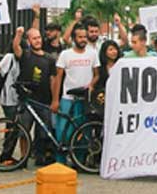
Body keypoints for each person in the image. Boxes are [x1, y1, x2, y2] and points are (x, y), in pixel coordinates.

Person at [52, 23, 100, 163]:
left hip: (84, 99)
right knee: (62, 131)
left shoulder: (92, 53)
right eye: (80, 37)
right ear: (74, 38)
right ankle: (60, 162)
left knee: (82, 130)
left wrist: (91, 84)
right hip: (67, 98)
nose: (83, 39)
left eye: (85, 37)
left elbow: (97, 74)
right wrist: (55, 100)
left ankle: (79, 161)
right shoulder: (65, 54)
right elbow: (58, 78)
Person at [12, 27, 56, 166]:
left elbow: (53, 80)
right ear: (29, 41)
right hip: (27, 100)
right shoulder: (26, 55)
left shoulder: (49, 59)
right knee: (23, 130)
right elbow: (16, 47)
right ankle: (23, 158)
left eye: (39, 38)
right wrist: (18, 34)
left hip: (44, 100)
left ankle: (40, 156)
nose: (37, 41)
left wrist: (54, 98)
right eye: (34, 38)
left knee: (43, 132)